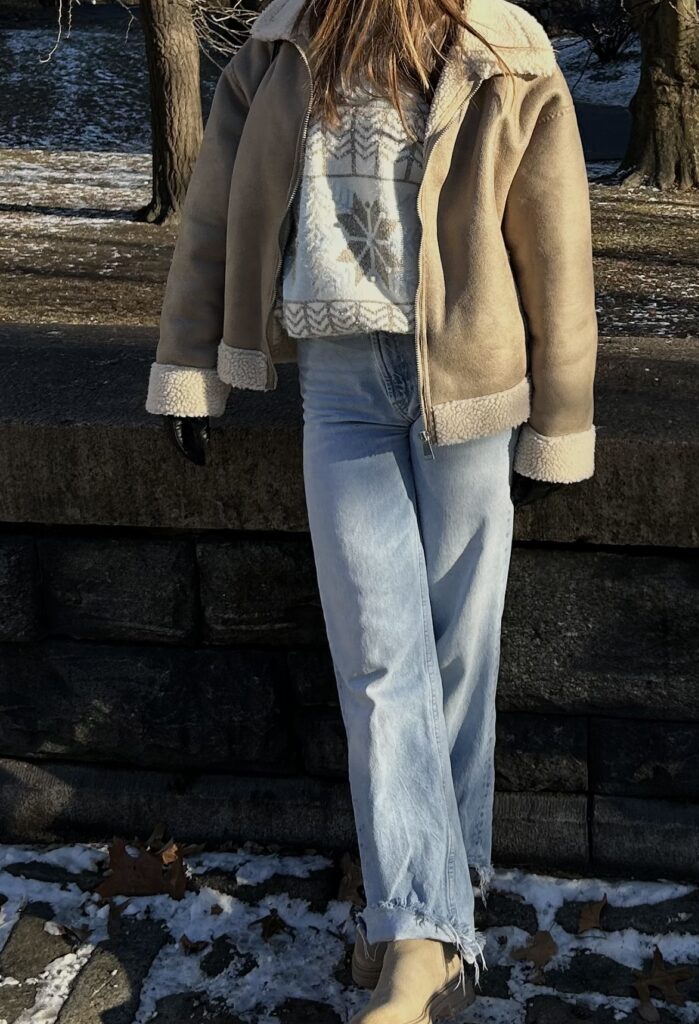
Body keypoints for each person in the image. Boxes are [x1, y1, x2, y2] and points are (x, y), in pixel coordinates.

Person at [144, 0, 598, 1018]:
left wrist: (560, 421)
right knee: (385, 661)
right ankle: (417, 942)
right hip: (341, 386)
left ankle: (441, 917)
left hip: (475, 386)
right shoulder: (279, 43)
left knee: (457, 656)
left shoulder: (503, 44)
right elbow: (214, 211)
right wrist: (186, 366)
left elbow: (558, 240)